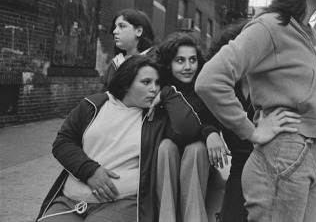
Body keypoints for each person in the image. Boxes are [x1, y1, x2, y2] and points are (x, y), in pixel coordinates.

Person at [196, 0, 316, 222]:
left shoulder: (309, 34)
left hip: (312, 159)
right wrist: (250, 131)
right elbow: (209, 79)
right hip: (283, 156)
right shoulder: (270, 26)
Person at [37, 55, 201, 221]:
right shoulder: (93, 105)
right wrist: (89, 171)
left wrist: (168, 93)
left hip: (121, 203)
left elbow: (189, 131)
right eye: (146, 82)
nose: (154, 89)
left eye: (157, 83)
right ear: (126, 84)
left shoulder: (156, 118)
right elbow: (63, 142)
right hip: (69, 202)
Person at [155, 32, 227, 222]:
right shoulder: (160, 89)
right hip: (167, 162)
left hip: (198, 164)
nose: (188, 67)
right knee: (165, 147)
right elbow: (176, 130)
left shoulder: (203, 88)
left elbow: (209, 120)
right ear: (169, 63)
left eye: (192, 60)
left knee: (196, 149)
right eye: (180, 60)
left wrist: (212, 133)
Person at [205, 19, 254, 222]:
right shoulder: (222, 86)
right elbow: (206, 116)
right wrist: (210, 133)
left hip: (271, 164)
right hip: (241, 166)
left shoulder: (270, 83)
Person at [104, 9, 156, 88]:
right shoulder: (115, 62)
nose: (114, 31)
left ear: (139, 31)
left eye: (121, 26)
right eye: (115, 27)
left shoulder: (156, 61)